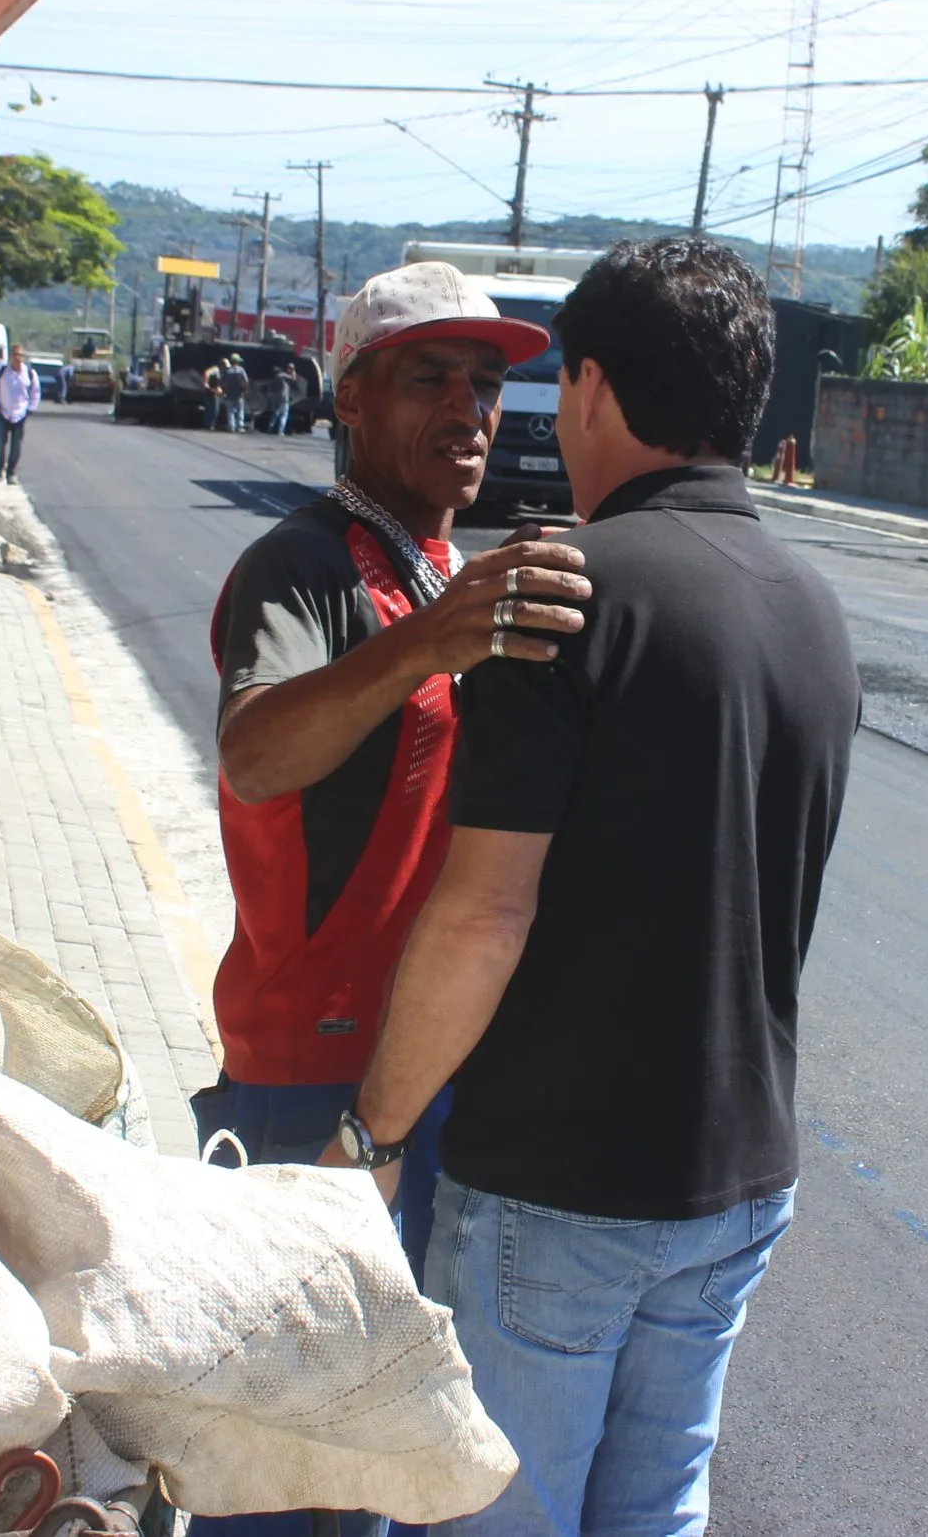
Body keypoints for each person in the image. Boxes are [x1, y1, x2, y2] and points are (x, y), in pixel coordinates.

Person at [322, 239, 861, 1537]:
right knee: (655, 1508)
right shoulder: (812, 610)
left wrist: (373, 1137)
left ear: (595, 389)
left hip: (560, 1190)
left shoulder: (557, 595)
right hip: (741, 1179)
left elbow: (483, 913)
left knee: (500, 1511)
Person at [196, 263, 591, 1537]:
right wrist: (426, 642)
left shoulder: (433, 565)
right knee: (274, 1439)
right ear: (350, 398)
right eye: (430, 378)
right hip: (312, 1072)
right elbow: (257, 755)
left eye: (486, 383)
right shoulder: (302, 565)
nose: (469, 409)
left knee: (372, 1440)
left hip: (419, 1070)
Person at [0, 343, 37, 483]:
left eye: (20, 355)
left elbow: (35, 392)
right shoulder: (2, 372)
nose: (18, 358)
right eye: (15, 355)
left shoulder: (29, 374)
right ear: (10, 356)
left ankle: (11, 473)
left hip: (20, 414)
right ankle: (0, 470)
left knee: (16, 445)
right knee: (0, 443)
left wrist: (30, 409)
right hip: (4, 412)